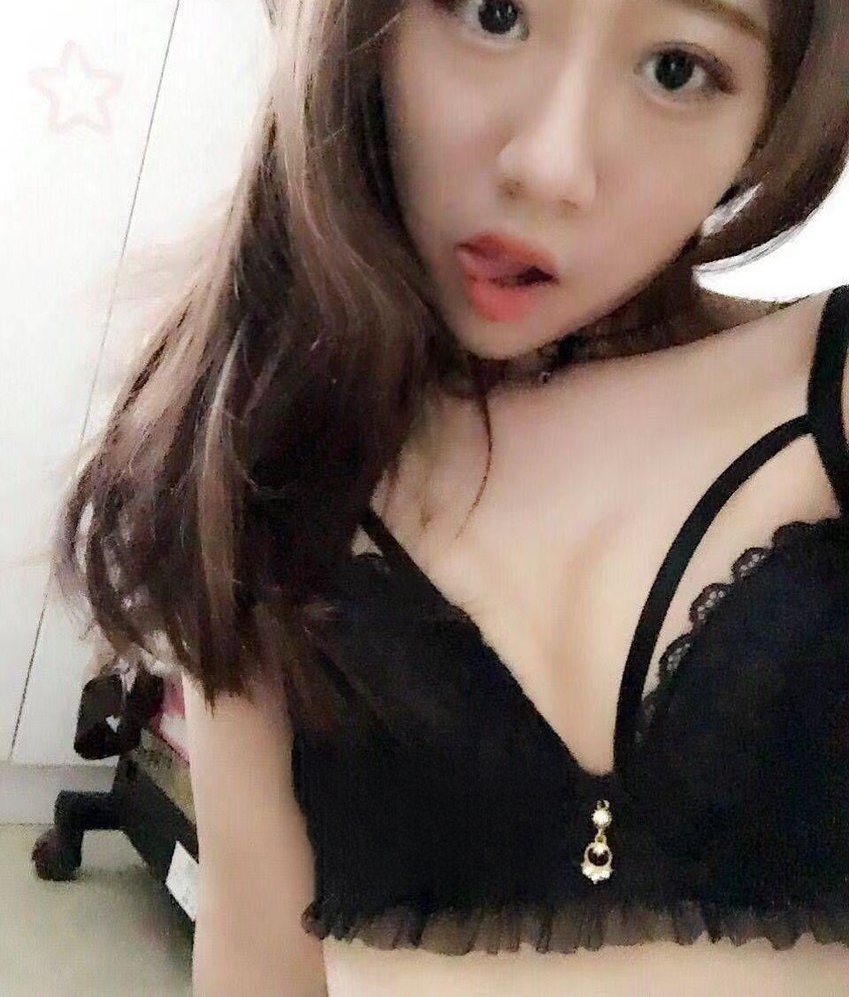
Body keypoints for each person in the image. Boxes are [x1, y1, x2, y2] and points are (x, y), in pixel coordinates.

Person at [53, 0, 849, 994]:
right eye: (494, 12)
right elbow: (259, 967)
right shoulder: (268, 478)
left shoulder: (822, 394)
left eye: (678, 69)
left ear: (771, 110)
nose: (550, 167)